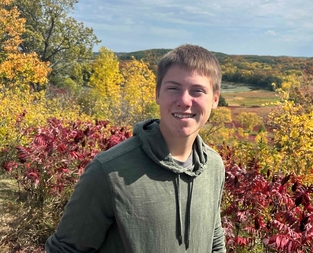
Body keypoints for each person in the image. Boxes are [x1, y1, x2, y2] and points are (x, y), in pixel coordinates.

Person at [45, 44, 226, 252]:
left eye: (198, 91)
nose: (184, 100)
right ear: (158, 94)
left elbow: (215, 239)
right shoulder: (109, 171)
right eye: (173, 88)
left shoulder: (213, 166)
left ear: (215, 100)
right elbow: (66, 249)